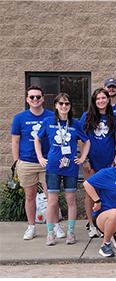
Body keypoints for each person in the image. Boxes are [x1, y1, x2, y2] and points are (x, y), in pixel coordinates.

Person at [35, 93, 90, 246]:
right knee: (52, 202)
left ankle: (71, 232)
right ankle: (50, 232)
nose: (64, 106)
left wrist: (83, 157)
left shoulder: (75, 123)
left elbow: (87, 141)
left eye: (67, 103)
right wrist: (40, 157)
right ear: (56, 105)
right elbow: (37, 139)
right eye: (61, 104)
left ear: (70, 106)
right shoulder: (48, 121)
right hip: (52, 166)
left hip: (70, 167)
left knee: (71, 200)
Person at [11, 86, 64, 240]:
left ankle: (55, 225)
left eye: (38, 97)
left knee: (51, 195)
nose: (35, 100)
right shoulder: (19, 118)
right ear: (27, 99)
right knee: (30, 196)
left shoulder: (51, 116)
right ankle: (31, 226)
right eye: (32, 97)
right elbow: (15, 141)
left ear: (43, 98)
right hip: (27, 162)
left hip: (48, 162)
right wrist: (17, 162)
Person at [80, 88, 116, 239]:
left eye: (103, 98)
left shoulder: (113, 117)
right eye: (98, 99)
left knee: (108, 193)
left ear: (108, 100)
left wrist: (115, 160)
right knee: (91, 193)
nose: (101, 101)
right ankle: (91, 224)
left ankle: (105, 223)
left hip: (109, 162)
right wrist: (85, 159)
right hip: (92, 162)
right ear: (94, 101)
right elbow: (82, 140)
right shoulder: (86, 117)